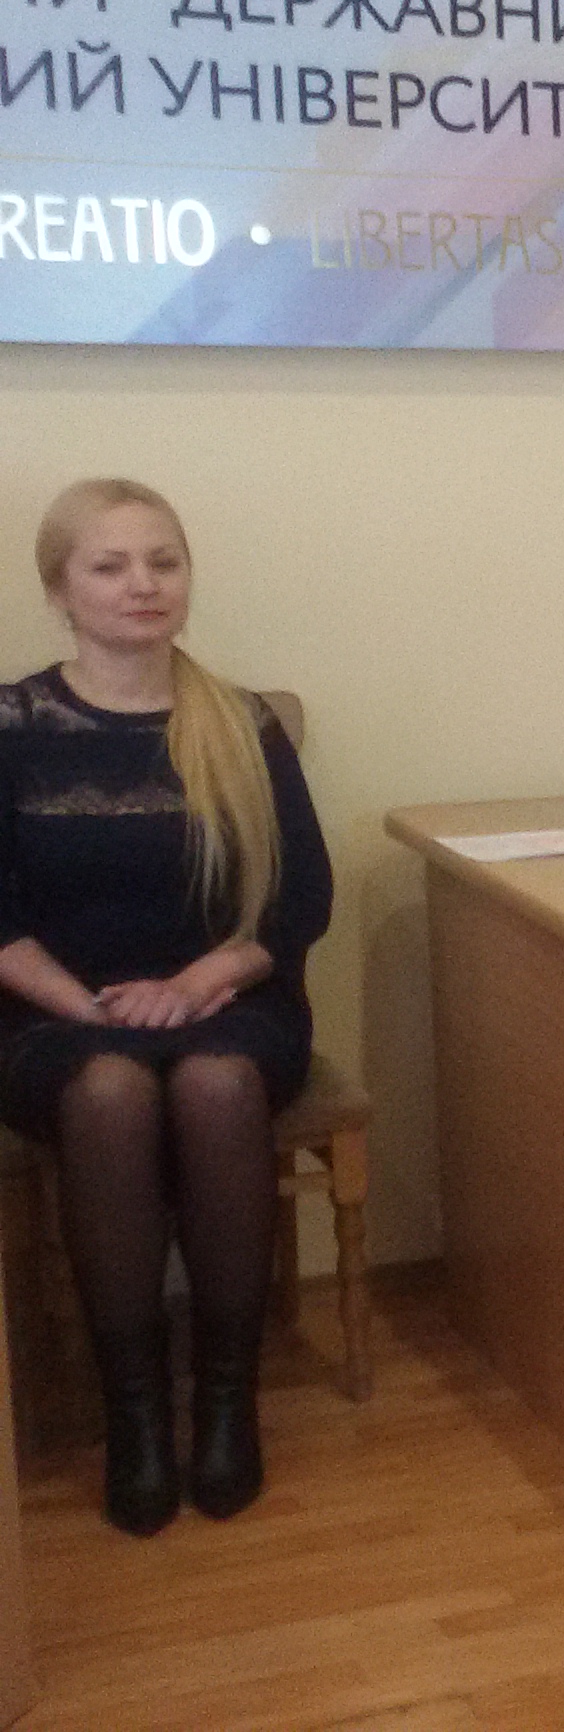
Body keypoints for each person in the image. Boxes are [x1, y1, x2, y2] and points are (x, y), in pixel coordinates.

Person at [0, 480, 333, 1536]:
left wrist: (192, 986)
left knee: (216, 1084)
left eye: (164, 561)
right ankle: (136, 1415)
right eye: (110, 566)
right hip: (53, 1012)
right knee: (108, 1092)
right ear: (60, 589)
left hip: (229, 999)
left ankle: (228, 1402)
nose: (143, 584)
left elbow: (299, 898)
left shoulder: (242, 722)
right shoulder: (10, 724)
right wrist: (87, 1005)